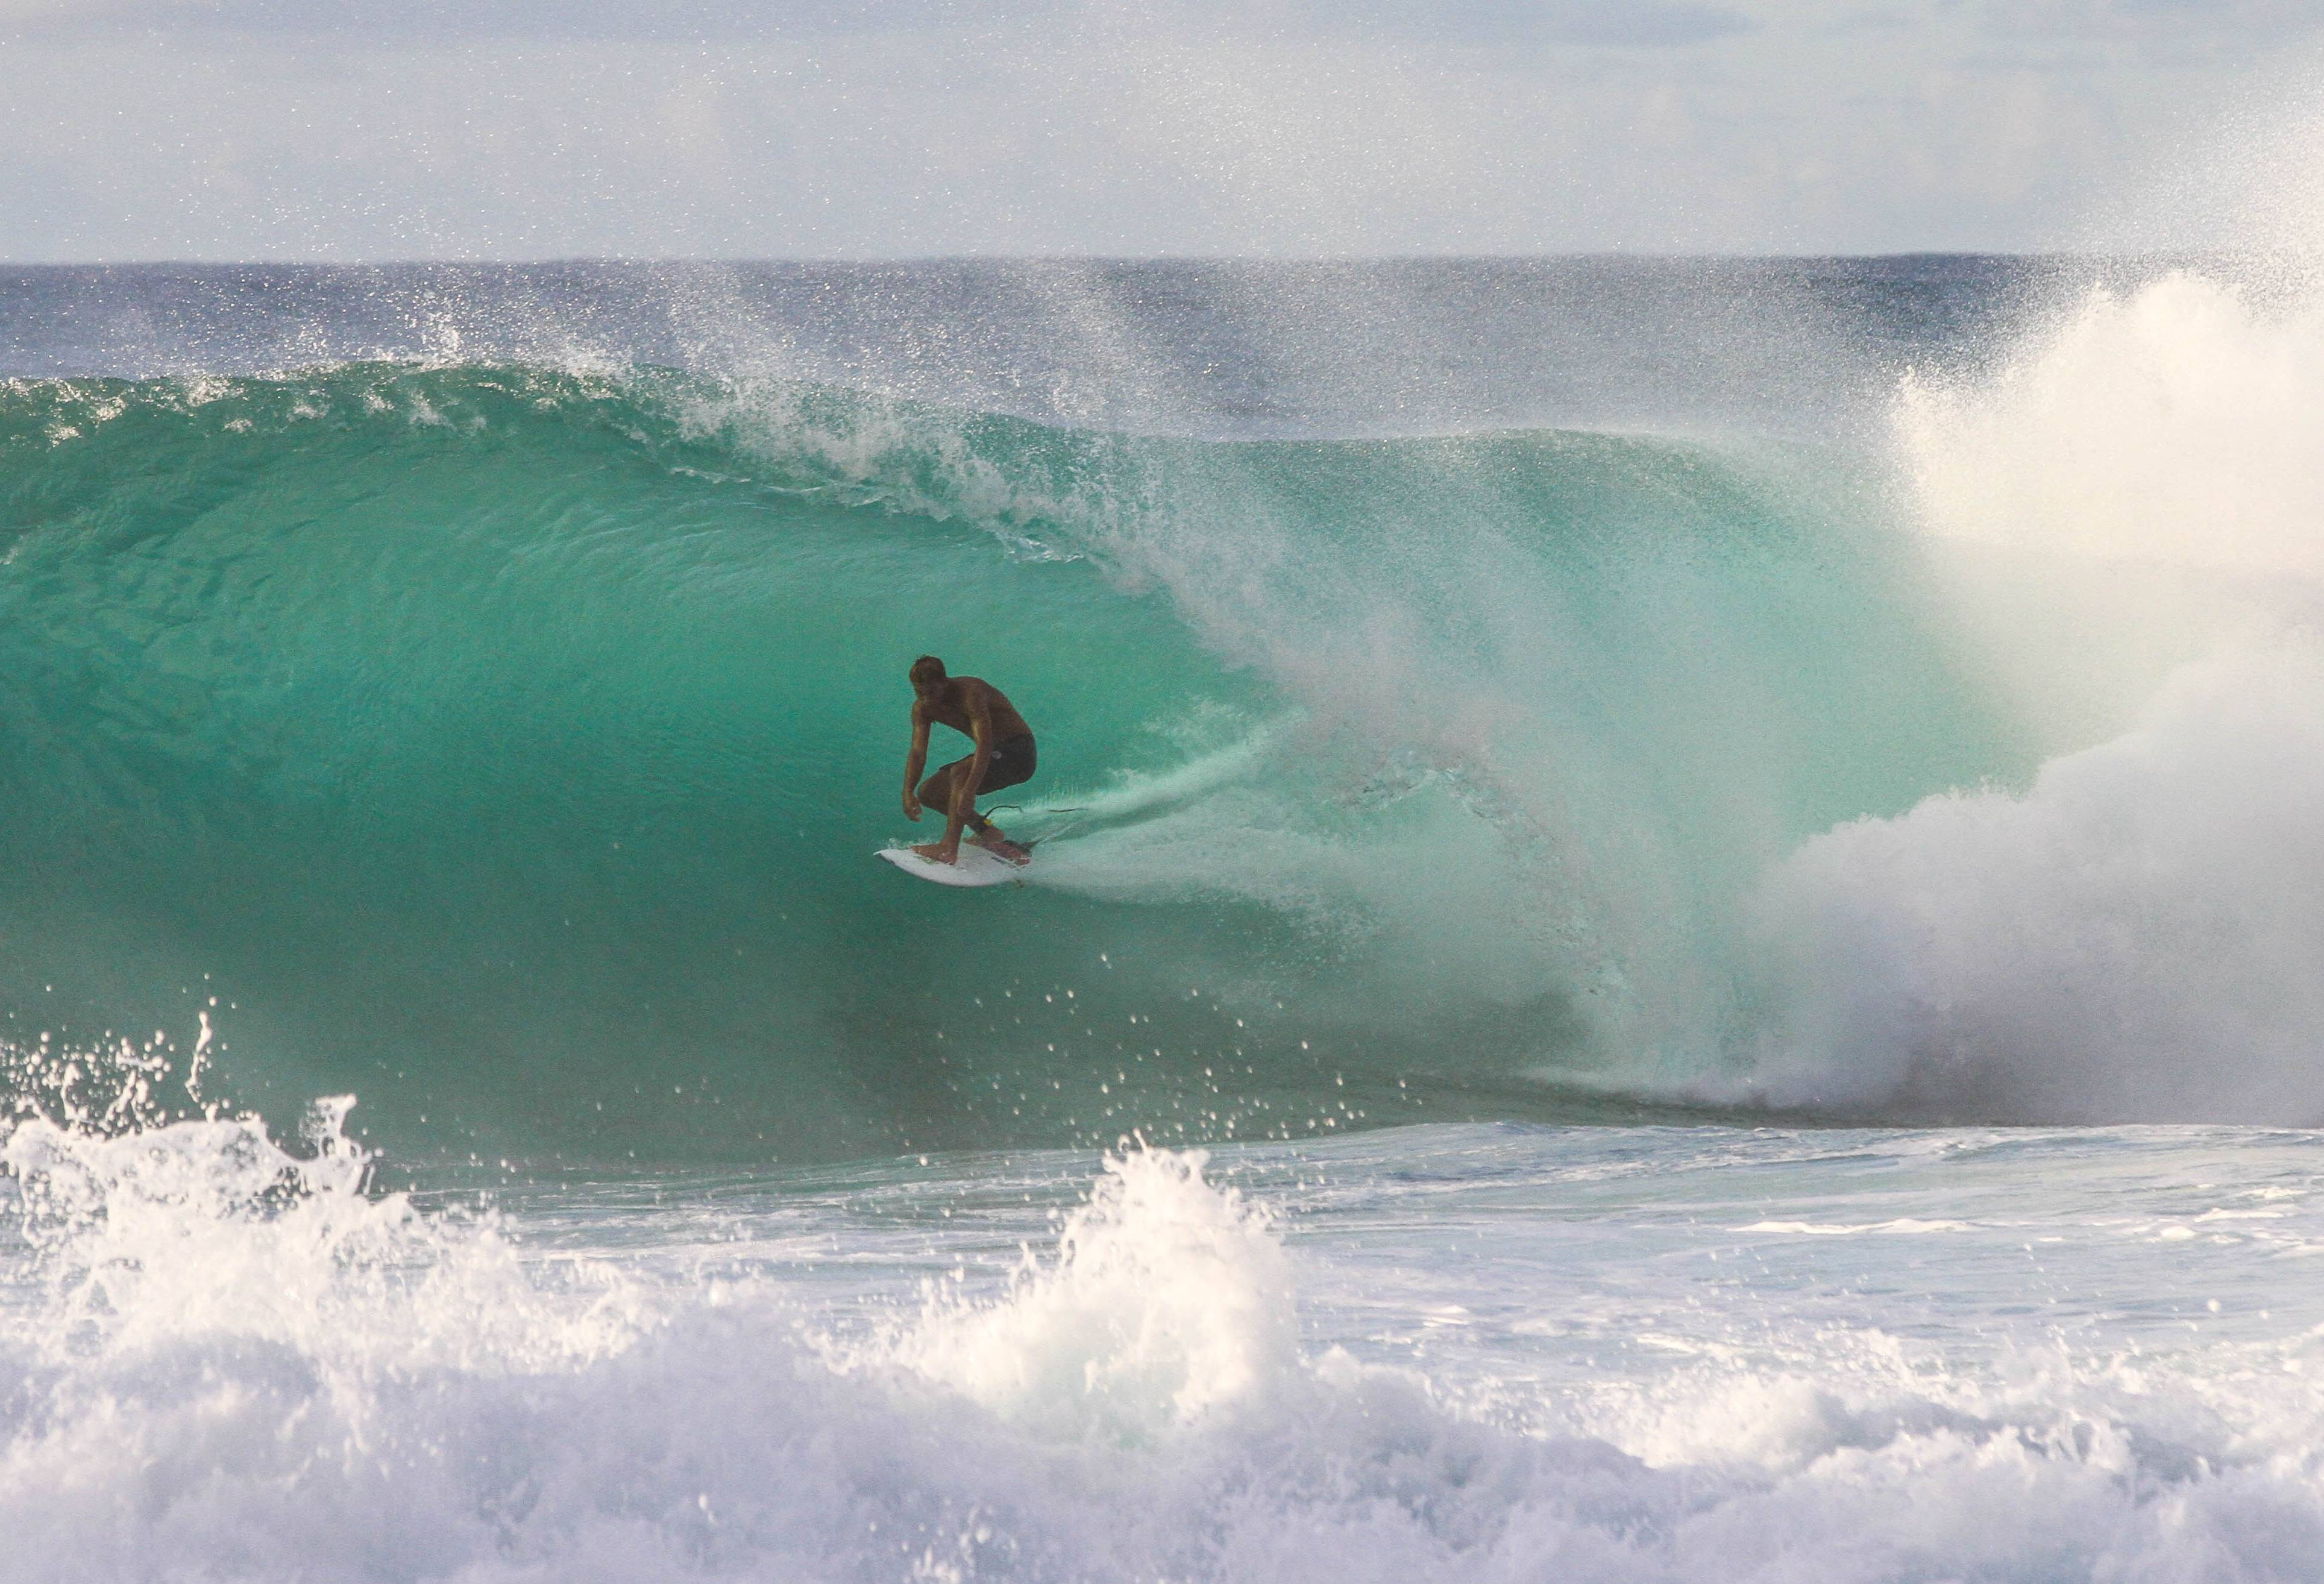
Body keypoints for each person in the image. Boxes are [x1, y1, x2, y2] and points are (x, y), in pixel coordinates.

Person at [900, 656, 1036, 864]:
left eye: (931, 692)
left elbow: (985, 744)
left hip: (1019, 753)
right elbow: (918, 751)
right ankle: (986, 831)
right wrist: (908, 791)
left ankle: (948, 849)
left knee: (960, 774)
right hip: (994, 755)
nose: (926, 699)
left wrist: (969, 790)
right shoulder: (923, 708)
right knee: (929, 793)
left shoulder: (970, 693)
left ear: (944, 682)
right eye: (919, 692)